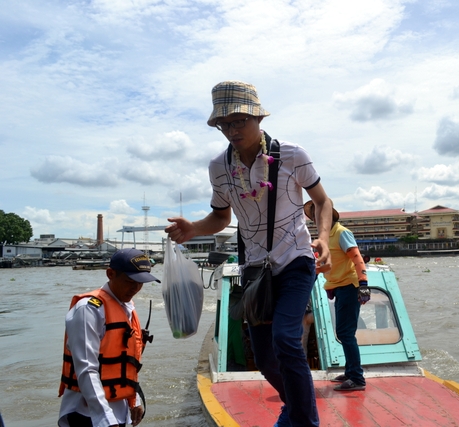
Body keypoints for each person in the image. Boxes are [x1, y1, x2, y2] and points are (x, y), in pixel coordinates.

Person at [165, 80, 333, 427]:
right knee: (265, 358)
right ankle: (294, 407)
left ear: (258, 118)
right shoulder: (219, 167)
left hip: (296, 258)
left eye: (239, 121)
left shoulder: (292, 155)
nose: (232, 130)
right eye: (224, 124)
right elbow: (221, 217)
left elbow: (322, 201)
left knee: (286, 339)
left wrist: (325, 240)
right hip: (254, 270)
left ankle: (305, 422)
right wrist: (193, 228)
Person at [58, 248, 160, 427]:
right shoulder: (89, 309)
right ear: (110, 274)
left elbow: (127, 361)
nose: (136, 289)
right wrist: (105, 419)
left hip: (118, 410)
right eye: (130, 281)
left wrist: (133, 399)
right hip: (87, 414)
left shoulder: (127, 307)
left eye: (140, 283)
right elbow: (86, 368)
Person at [303, 200, 369, 391]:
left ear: (329, 215)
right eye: (314, 215)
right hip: (339, 287)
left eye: (319, 213)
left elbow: (356, 258)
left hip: (349, 286)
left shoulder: (341, 233)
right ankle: (350, 372)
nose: (316, 218)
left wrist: (363, 285)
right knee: (344, 332)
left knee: (345, 333)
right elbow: (322, 265)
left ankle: (357, 378)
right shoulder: (324, 239)